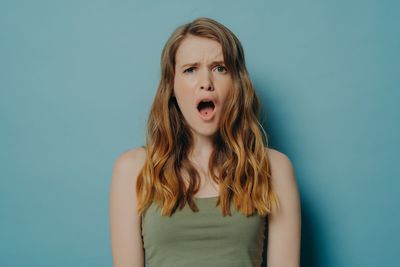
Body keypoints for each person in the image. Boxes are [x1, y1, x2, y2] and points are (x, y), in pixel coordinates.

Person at [109, 17, 301, 267]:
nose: (206, 83)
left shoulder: (274, 168)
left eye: (220, 68)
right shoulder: (132, 169)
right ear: (172, 87)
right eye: (190, 69)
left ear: (237, 84)